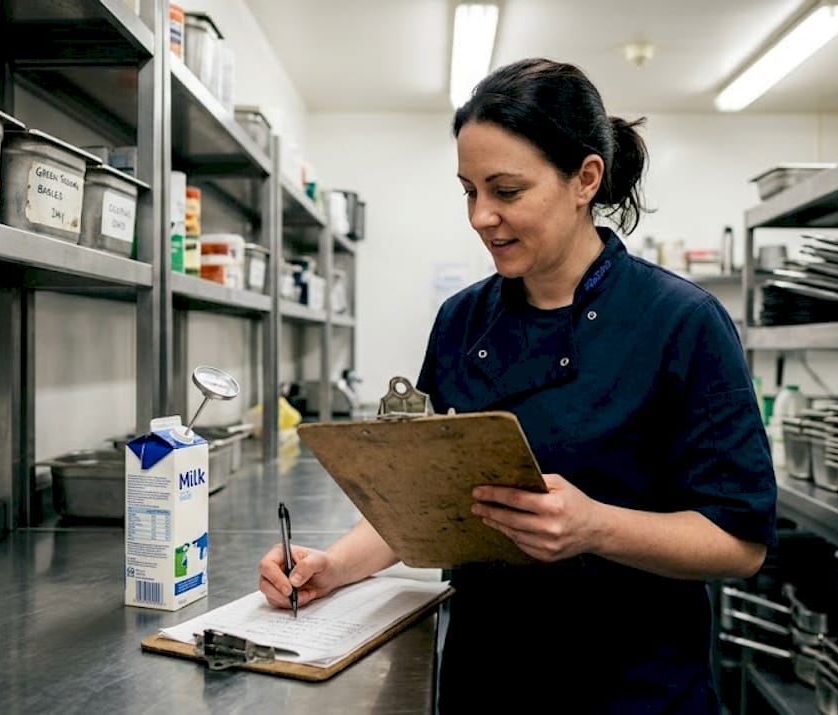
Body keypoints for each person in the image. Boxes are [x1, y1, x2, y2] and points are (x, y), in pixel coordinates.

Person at [259, 57, 777, 713]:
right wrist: (330, 567)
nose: (480, 216)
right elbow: (421, 502)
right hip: (486, 678)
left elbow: (741, 543)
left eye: (505, 191)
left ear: (585, 179)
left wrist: (594, 526)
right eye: (469, 190)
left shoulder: (683, 323)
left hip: (634, 689)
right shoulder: (461, 321)